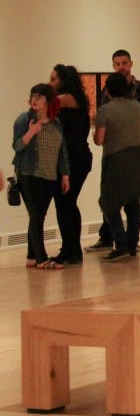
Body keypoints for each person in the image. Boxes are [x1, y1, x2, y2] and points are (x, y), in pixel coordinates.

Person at [86, 49, 140, 253]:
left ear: (131, 63)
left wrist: (116, 125)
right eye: (117, 64)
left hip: (119, 154)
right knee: (130, 200)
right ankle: (122, 242)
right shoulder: (134, 106)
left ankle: (124, 244)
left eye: (124, 63)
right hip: (132, 153)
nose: (121, 67)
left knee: (111, 200)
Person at [12, 84, 70, 270]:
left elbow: (62, 150)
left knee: (38, 215)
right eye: (32, 96)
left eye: (39, 96)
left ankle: (32, 256)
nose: (34, 100)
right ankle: (41, 258)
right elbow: (17, 146)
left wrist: (65, 174)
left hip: (50, 175)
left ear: (48, 101)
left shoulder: (55, 122)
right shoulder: (24, 119)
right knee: (37, 215)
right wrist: (31, 132)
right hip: (29, 173)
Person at [49, 64, 93, 265]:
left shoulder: (60, 100)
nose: (50, 83)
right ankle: (72, 249)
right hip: (82, 155)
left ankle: (71, 250)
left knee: (64, 204)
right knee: (69, 203)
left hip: (69, 158)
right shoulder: (81, 101)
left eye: (54, 79)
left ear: (63, 81)